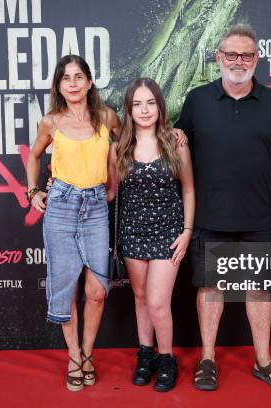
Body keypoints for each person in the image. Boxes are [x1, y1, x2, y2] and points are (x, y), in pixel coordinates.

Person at [175, 24, 271, 392]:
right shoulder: (197, 101)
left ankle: (263, 361)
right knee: (212, 289)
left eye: (247, 55)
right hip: (210, 215)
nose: (239, 61)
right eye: (231, 54)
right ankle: (208, 359)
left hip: (260, 217)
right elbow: (177, 146)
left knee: (260, 290)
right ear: (219, 57)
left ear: (257, 59)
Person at [26, 54, 121, 392]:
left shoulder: (107, 117)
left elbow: (125, 148)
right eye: (66, 78)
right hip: (62, 207)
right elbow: (34, 156)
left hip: (95, 207)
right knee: (66, 291)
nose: (73, 83)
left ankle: (88, 353)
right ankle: (74, 357)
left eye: (79, 77)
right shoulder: (51, 121)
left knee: (96, 291)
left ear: (90, 82)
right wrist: (34, 191)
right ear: (59, 86)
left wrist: (112, 183)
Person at [106, 78, 195, 392]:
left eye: (150, 103)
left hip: (168, 233)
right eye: (137, 104)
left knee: (158, 303)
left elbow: (188, 189)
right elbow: (109, 193)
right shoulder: (119, 148)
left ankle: (167, 358)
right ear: (129, 110)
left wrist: (186, 232)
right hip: (132, 233)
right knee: (141, 298)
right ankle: (145, 356)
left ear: (160, 105)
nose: (144, 110)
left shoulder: (175, 141)